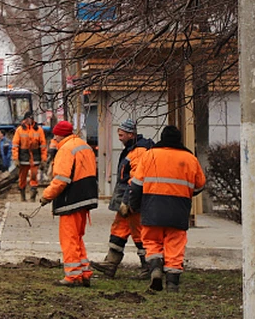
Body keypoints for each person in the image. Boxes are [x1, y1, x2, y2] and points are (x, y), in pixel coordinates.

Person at [127, 125, 206, 292]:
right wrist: (185, 192)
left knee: (152, 241)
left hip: (152, 207)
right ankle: (172, 283)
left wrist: (134, 205)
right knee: (175, 245)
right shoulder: (190, 158)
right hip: (178, 209)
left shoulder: (150, 156)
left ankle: (155, 268)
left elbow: (136, 185)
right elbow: (200, 185)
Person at [90, 119, 154, 279]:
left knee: (139, 233)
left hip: (133, 200)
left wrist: (127, 201)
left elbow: (136, 179)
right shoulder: (134, 149)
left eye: (121, 134)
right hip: (130, 199)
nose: (119, 137)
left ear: (131, 134)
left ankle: (148, 267)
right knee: (119, 230)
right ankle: (110, 264)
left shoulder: (138, 151)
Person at [40, 121, 98, 287]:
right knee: (78, 238)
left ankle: (72, 276)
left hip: (71, 200)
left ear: (59, 134)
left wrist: (46, 196)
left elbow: (61, 179)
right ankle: (84, 272)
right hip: (86, 198)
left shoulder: (65, 149)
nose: (54, 138)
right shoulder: (83, 145)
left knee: (69, 239)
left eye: (55, 135)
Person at [12, 111, 47, 201]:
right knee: (22, 177)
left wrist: (44, 159)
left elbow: (43, 145)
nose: (29, 120)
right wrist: (15, 158)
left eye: (31, 118)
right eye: (28, 118)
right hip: (23, 157)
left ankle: (32, 196)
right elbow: (15, 145)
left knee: (34, 176)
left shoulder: (39, 130)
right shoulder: (19, 130)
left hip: (35, 157)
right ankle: (22, 195)